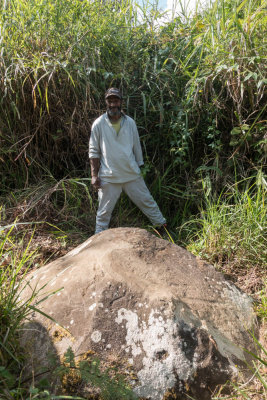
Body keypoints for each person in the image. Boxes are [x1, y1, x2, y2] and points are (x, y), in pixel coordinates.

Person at [89, 87, 167, 234]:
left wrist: (139, 166)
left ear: (121, 102)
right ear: (106, 102)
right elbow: (93, 151)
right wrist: (94, 175)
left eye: (116, 100)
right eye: (110, 101)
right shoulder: (99, 124)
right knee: (103, 213)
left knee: (147, 202)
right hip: (109, 176)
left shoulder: (130, 122)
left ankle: (163, 229)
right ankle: (97, 242)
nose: (113, 104)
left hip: (131, 173)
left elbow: (136, 146)